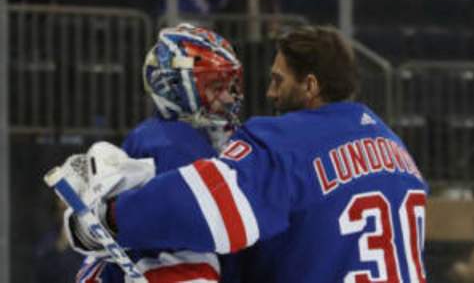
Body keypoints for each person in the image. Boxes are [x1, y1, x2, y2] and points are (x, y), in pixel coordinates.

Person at [68, 25, 429, 282]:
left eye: (278, 80)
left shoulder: (288, 141)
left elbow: (213, 208)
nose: (269, 93)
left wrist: (107, 216)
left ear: (310, 85)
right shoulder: (396, 149)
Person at [69, 23, 243, 282]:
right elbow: (180, 261)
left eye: (229, 86)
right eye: (215, 86)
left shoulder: (162, 136)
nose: (228, 98)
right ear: (175, 87)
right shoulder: (175, 145)